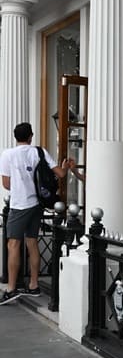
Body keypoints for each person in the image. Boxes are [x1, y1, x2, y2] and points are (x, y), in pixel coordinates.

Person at [0, 122, 69, 305]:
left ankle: (11, 288)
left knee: (13, 244)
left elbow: (6, 184)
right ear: (31, 136)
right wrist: (66, 166)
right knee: (32, 242)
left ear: (15, 137)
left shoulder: (7, 154)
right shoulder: (39, 152)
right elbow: (60, 174)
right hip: (37, 205)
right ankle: (33, 285)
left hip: (19, 205)